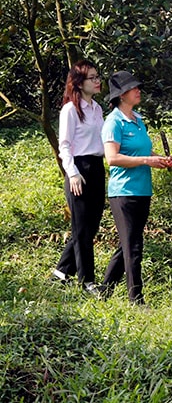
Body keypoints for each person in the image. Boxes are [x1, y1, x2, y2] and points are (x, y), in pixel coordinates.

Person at [101, 71, 172, 304]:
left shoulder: (138, 119)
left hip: (143, 190)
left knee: (128, 244)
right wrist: (146, 161)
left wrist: (158, 159)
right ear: (122, 95)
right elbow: (112, 158)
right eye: (134, 88)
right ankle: (136, 298)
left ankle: (105, 289)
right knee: (133, 246)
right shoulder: (113, 122)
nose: (138, 90)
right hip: (123, 192)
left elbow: (142, 152)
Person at [51, 59, 106, 296]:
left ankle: (61, 272)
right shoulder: (70, 110)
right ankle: (87, 282)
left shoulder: (97, 109)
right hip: (79, 167)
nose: (97, 81)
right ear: (79, 83)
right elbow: (64, 146)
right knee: (82, 227)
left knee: (89, 226)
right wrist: (72, 173)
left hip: (97, 166)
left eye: (97, 76)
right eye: (92, 77)